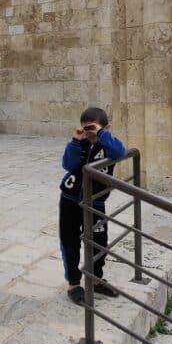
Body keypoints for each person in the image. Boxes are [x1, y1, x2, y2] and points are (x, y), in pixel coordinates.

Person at [58, 107, 126, 305]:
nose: (89, 132)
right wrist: (75, 141)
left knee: (99, 242)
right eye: (85, 128)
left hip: (95, 201)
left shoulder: (108, 144)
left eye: (92, 128)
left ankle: (95, 280)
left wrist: (101, 134)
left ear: (106, 128)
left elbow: (120, 151)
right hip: (70, 199)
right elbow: (68, 165)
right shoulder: (80, 144)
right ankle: (73, 284)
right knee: (70, 242)